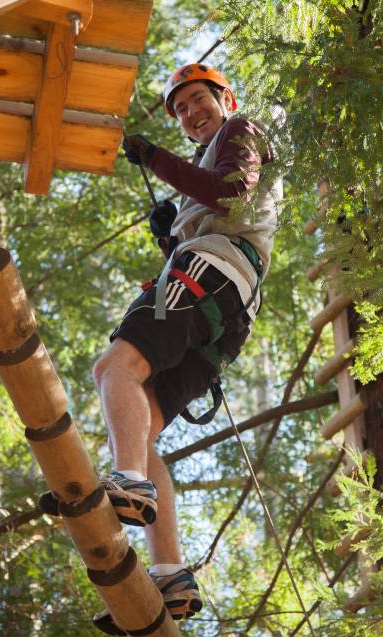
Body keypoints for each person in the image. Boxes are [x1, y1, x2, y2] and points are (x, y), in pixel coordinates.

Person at [41, 63, 281, 634]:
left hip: (210, 274)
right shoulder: (210, 153)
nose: (190, 113)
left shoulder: (239, 130)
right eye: (180, 109)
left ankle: (126, 481)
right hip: (225, 296)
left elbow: (230, 190)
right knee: (142, 424)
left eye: (199, 100)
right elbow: (220, 198)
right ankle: (170, 572)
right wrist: (172, 232)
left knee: (114, 367)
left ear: (225, 98)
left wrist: (154, 159)